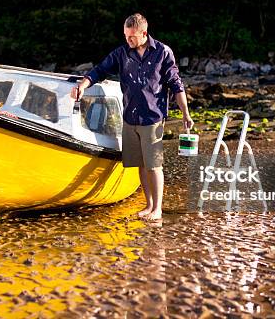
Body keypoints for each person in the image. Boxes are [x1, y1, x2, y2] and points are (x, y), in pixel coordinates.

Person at [70, 13, 194, 220]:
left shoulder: (163, 52)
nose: (128, 40)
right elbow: (100, 70)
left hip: (152, 117)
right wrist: (82, 85)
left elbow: (175, 84)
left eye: (132, 37)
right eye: (126, 36)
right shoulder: (122, 53)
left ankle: (158, 209)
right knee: (140, 164)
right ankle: (148, 205)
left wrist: (185, 113)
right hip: (129, 117)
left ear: (144, 33)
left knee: (154, 165)